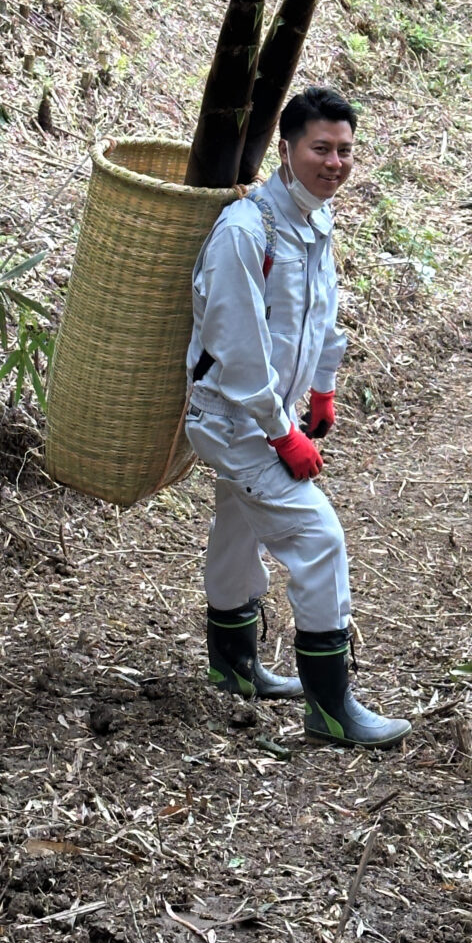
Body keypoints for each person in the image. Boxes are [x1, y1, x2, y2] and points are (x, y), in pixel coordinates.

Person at [185, 84, 411, 748]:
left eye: (345, 150)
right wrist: (282, 432)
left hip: (266, 415)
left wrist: (322, 390)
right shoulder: (245, 230)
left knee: (238, 527)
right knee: (318, 540)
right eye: (321, 149)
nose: (335, 163)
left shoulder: (313, 220)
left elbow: (321, 314)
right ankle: (331, 708)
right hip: (234, 420)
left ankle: (233, 666)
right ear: (287, 149)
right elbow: (235, 347)